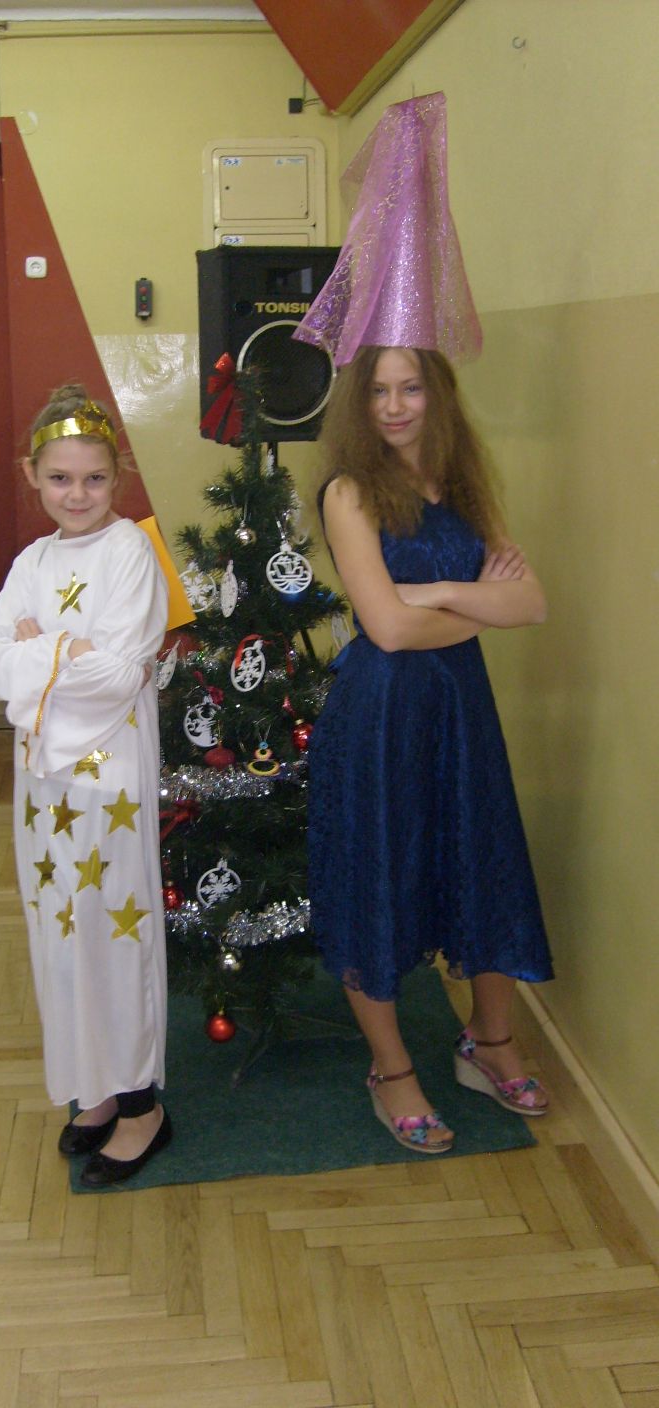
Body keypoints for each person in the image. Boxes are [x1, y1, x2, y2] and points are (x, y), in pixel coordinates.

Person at [308, 346, 553, 1154]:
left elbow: (532, 602)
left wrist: (442, 593)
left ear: (437, 395)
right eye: (378, 390)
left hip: (461, 711)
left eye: (411, 387)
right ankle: (392, 1072)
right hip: (380, 716)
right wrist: (481, 607)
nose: (394, 405)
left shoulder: (468, 486)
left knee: (484, 860)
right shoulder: (349, 492)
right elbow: (386, 628)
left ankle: (489, 1041)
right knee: (378, 878)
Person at [0, 384, 170, 1188]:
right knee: (60, 929)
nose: (76, 495)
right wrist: (66, 649)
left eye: (92, 479)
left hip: (109, 783)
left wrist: (39, 648)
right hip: (44, 788)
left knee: (114, 932)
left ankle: (142, 1105)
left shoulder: (130, 554)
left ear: (117, 478)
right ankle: (95, 1086)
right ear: (33, 475)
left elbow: (118, 677)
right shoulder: (32, 562)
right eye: (59, 478)